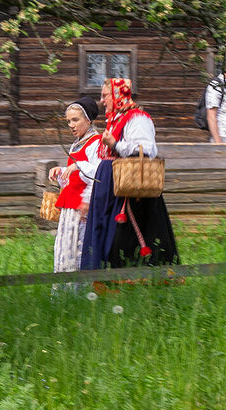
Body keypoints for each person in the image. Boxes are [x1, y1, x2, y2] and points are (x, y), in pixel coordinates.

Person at [80, 77, 180, 268]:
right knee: (106, 231)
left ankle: (131, 279)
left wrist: (115, 144)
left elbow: (146, 149)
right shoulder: (116, 119)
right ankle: (104, 278)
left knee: (125, 235)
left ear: (118, 95)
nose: (102, 101)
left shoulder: (137, 118)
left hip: (130, 186)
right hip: (110, 187)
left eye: (105, 96)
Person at [50, 97, 102, 274]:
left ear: (88, 119)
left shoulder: (97, 142)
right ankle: (64, 292)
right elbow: (76, 175)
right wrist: (62, 171)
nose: (71, 125)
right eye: (68, 121)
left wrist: (77, 166)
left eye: (75, 120)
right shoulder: (76, 144)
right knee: (65, 247)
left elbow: (99, 173)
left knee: (78, 248)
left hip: (82, 205)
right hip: (70, 205)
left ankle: (78, 291)